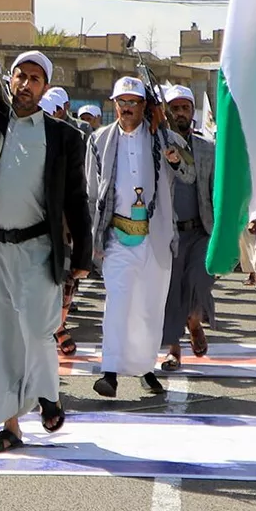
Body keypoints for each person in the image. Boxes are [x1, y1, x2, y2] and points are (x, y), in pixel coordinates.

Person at [0, 50, 92, 454]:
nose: (25, 84)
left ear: (45, 88)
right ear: (9, 81)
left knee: (38, 331)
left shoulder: (64, 137)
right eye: (19, 77)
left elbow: (76, 200)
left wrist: (82, 260)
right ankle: (10, 427)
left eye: (34, 79)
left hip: (37, 248)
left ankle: (48, 393)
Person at [87, 76, 192, 397]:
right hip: (117, 235)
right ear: (114, 104)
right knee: (118, 302)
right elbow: (91, 191)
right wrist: (94, 238)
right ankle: (110, 372)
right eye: (122, 102)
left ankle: (146, 368)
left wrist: (170, 144)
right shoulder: (98, 140)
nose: (127, 108)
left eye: (134, 102)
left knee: (148, 307)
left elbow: (188, 173)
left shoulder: (162, 138)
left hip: (154, 236)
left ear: (145, 106)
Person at [159, 85, 216, 372]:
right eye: (175, 108)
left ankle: (194, 322)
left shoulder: (208, 148)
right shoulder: (157, 146)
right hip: (169, 233)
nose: (180, 113)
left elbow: (218, 191)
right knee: (172, 292)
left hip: (202, 231)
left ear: (192, 112)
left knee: (198, 281)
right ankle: (173, 349)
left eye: (185, 108)